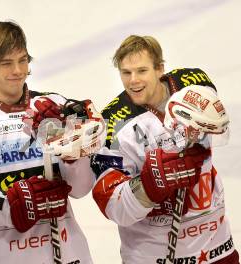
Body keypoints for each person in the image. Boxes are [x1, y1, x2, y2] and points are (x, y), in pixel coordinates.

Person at [0, 21, 97, 263]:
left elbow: (81, 189)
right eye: (7, 63)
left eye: (23, 60)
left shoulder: (53, 106)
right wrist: (12, 205)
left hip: (68, 253)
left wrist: (74, 156)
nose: (18, 70)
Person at [89, 35, 239, 263]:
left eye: (141, 71)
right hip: (155, 256)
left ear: (160, 69)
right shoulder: (113, 123)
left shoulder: (196, 83)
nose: (133, 81)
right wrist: (148, 187)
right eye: (126, 72)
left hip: (217, 246)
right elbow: (111, 204)